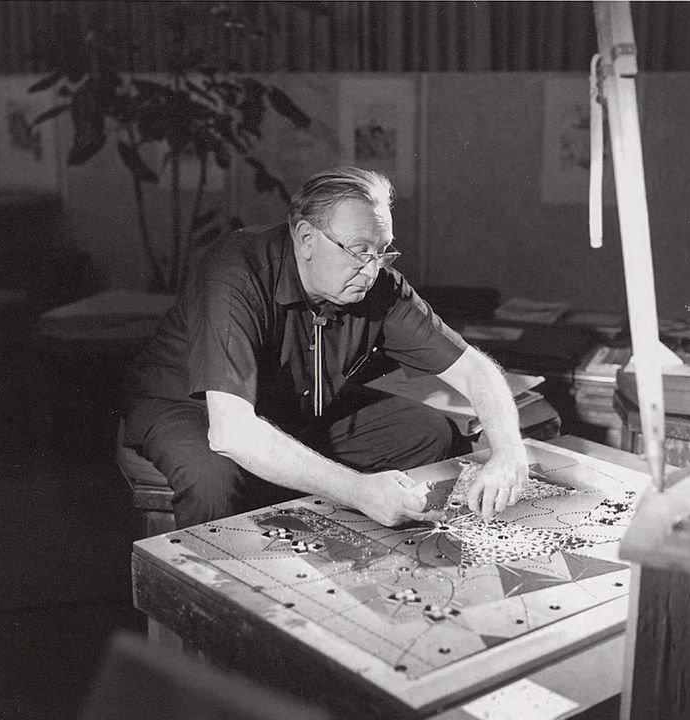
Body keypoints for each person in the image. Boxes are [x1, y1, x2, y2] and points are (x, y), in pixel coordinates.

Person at [122, 166, 528, 529]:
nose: (371, 270)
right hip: (191, 407)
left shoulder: (378, 283)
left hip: (293, 410)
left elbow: (476, 370)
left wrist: (509, 451)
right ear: (305, 239)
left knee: (429, 433)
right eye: (358, 250)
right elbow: (233, 432)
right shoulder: (236, 269)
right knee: (214, 480)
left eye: (382, 251)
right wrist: (358, 490)